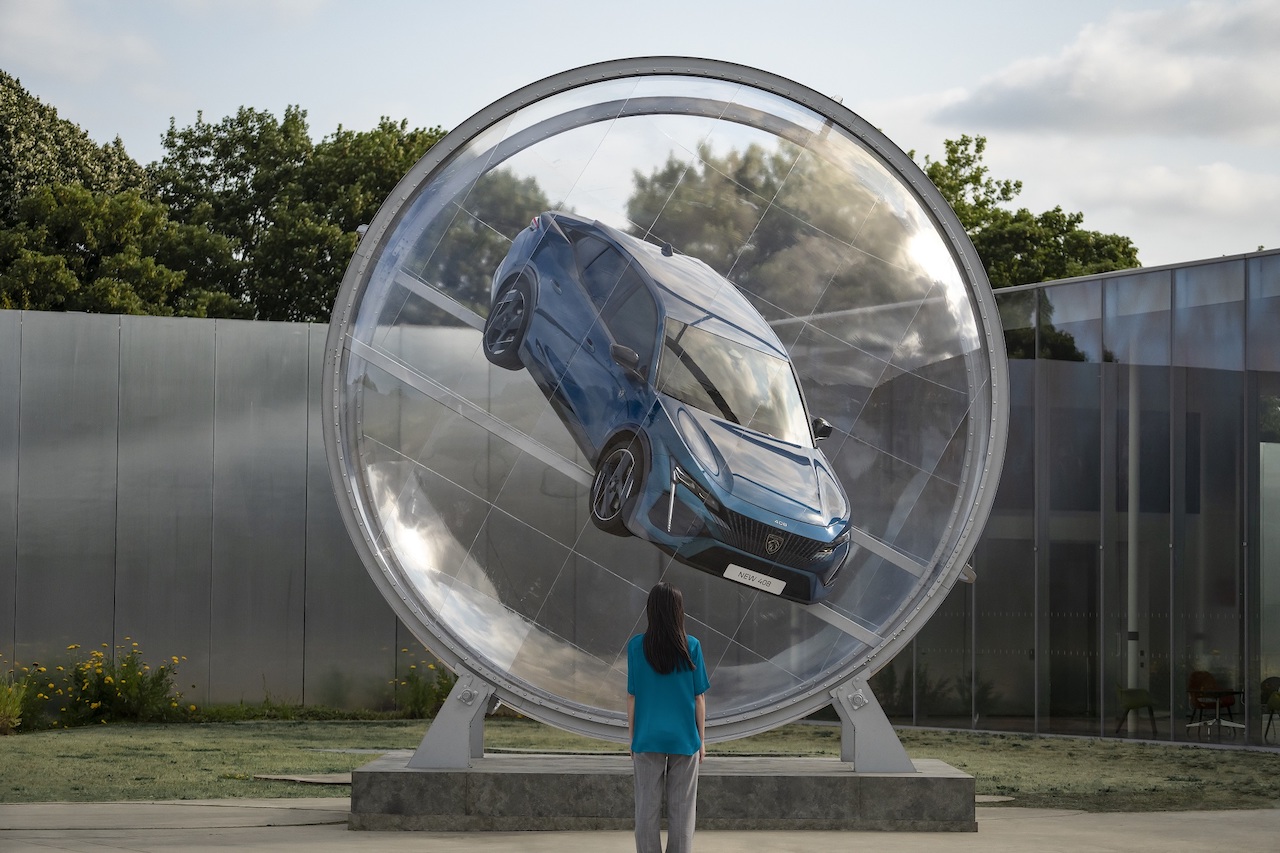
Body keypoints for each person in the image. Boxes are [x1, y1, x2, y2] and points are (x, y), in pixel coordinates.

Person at [627, 581, 710, 853]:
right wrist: (701, 740)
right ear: (678, 610)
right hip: (684, 737)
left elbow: (632, 696)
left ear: (650, 609)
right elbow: (699, 698)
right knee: (683, 812)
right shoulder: (692, 646)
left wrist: (632, 738)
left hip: (647, 736)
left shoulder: (636, 646)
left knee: (646, 810)